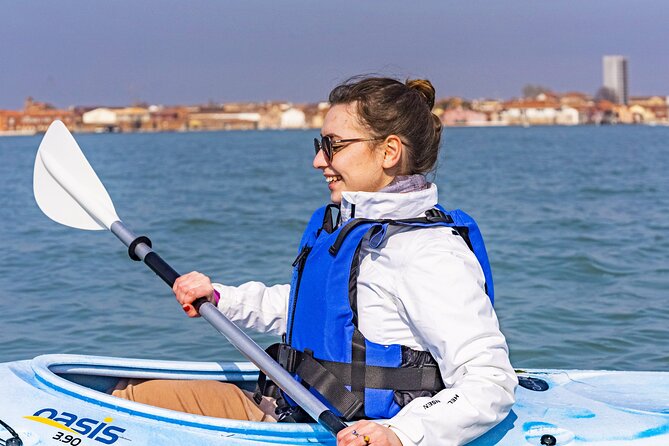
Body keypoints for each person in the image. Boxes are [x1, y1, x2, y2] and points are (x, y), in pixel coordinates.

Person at [114, 76, 517, 446]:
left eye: (334, 146)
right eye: (319, 145)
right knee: (125, 392)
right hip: (292, 408)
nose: (319, 161)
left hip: (339, 430)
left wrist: (400, 433)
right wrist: (220, 297)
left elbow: (490, 380)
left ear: (389, 151)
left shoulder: (428, 253)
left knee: (126, 402)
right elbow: (311, 308)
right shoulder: (351, 227)